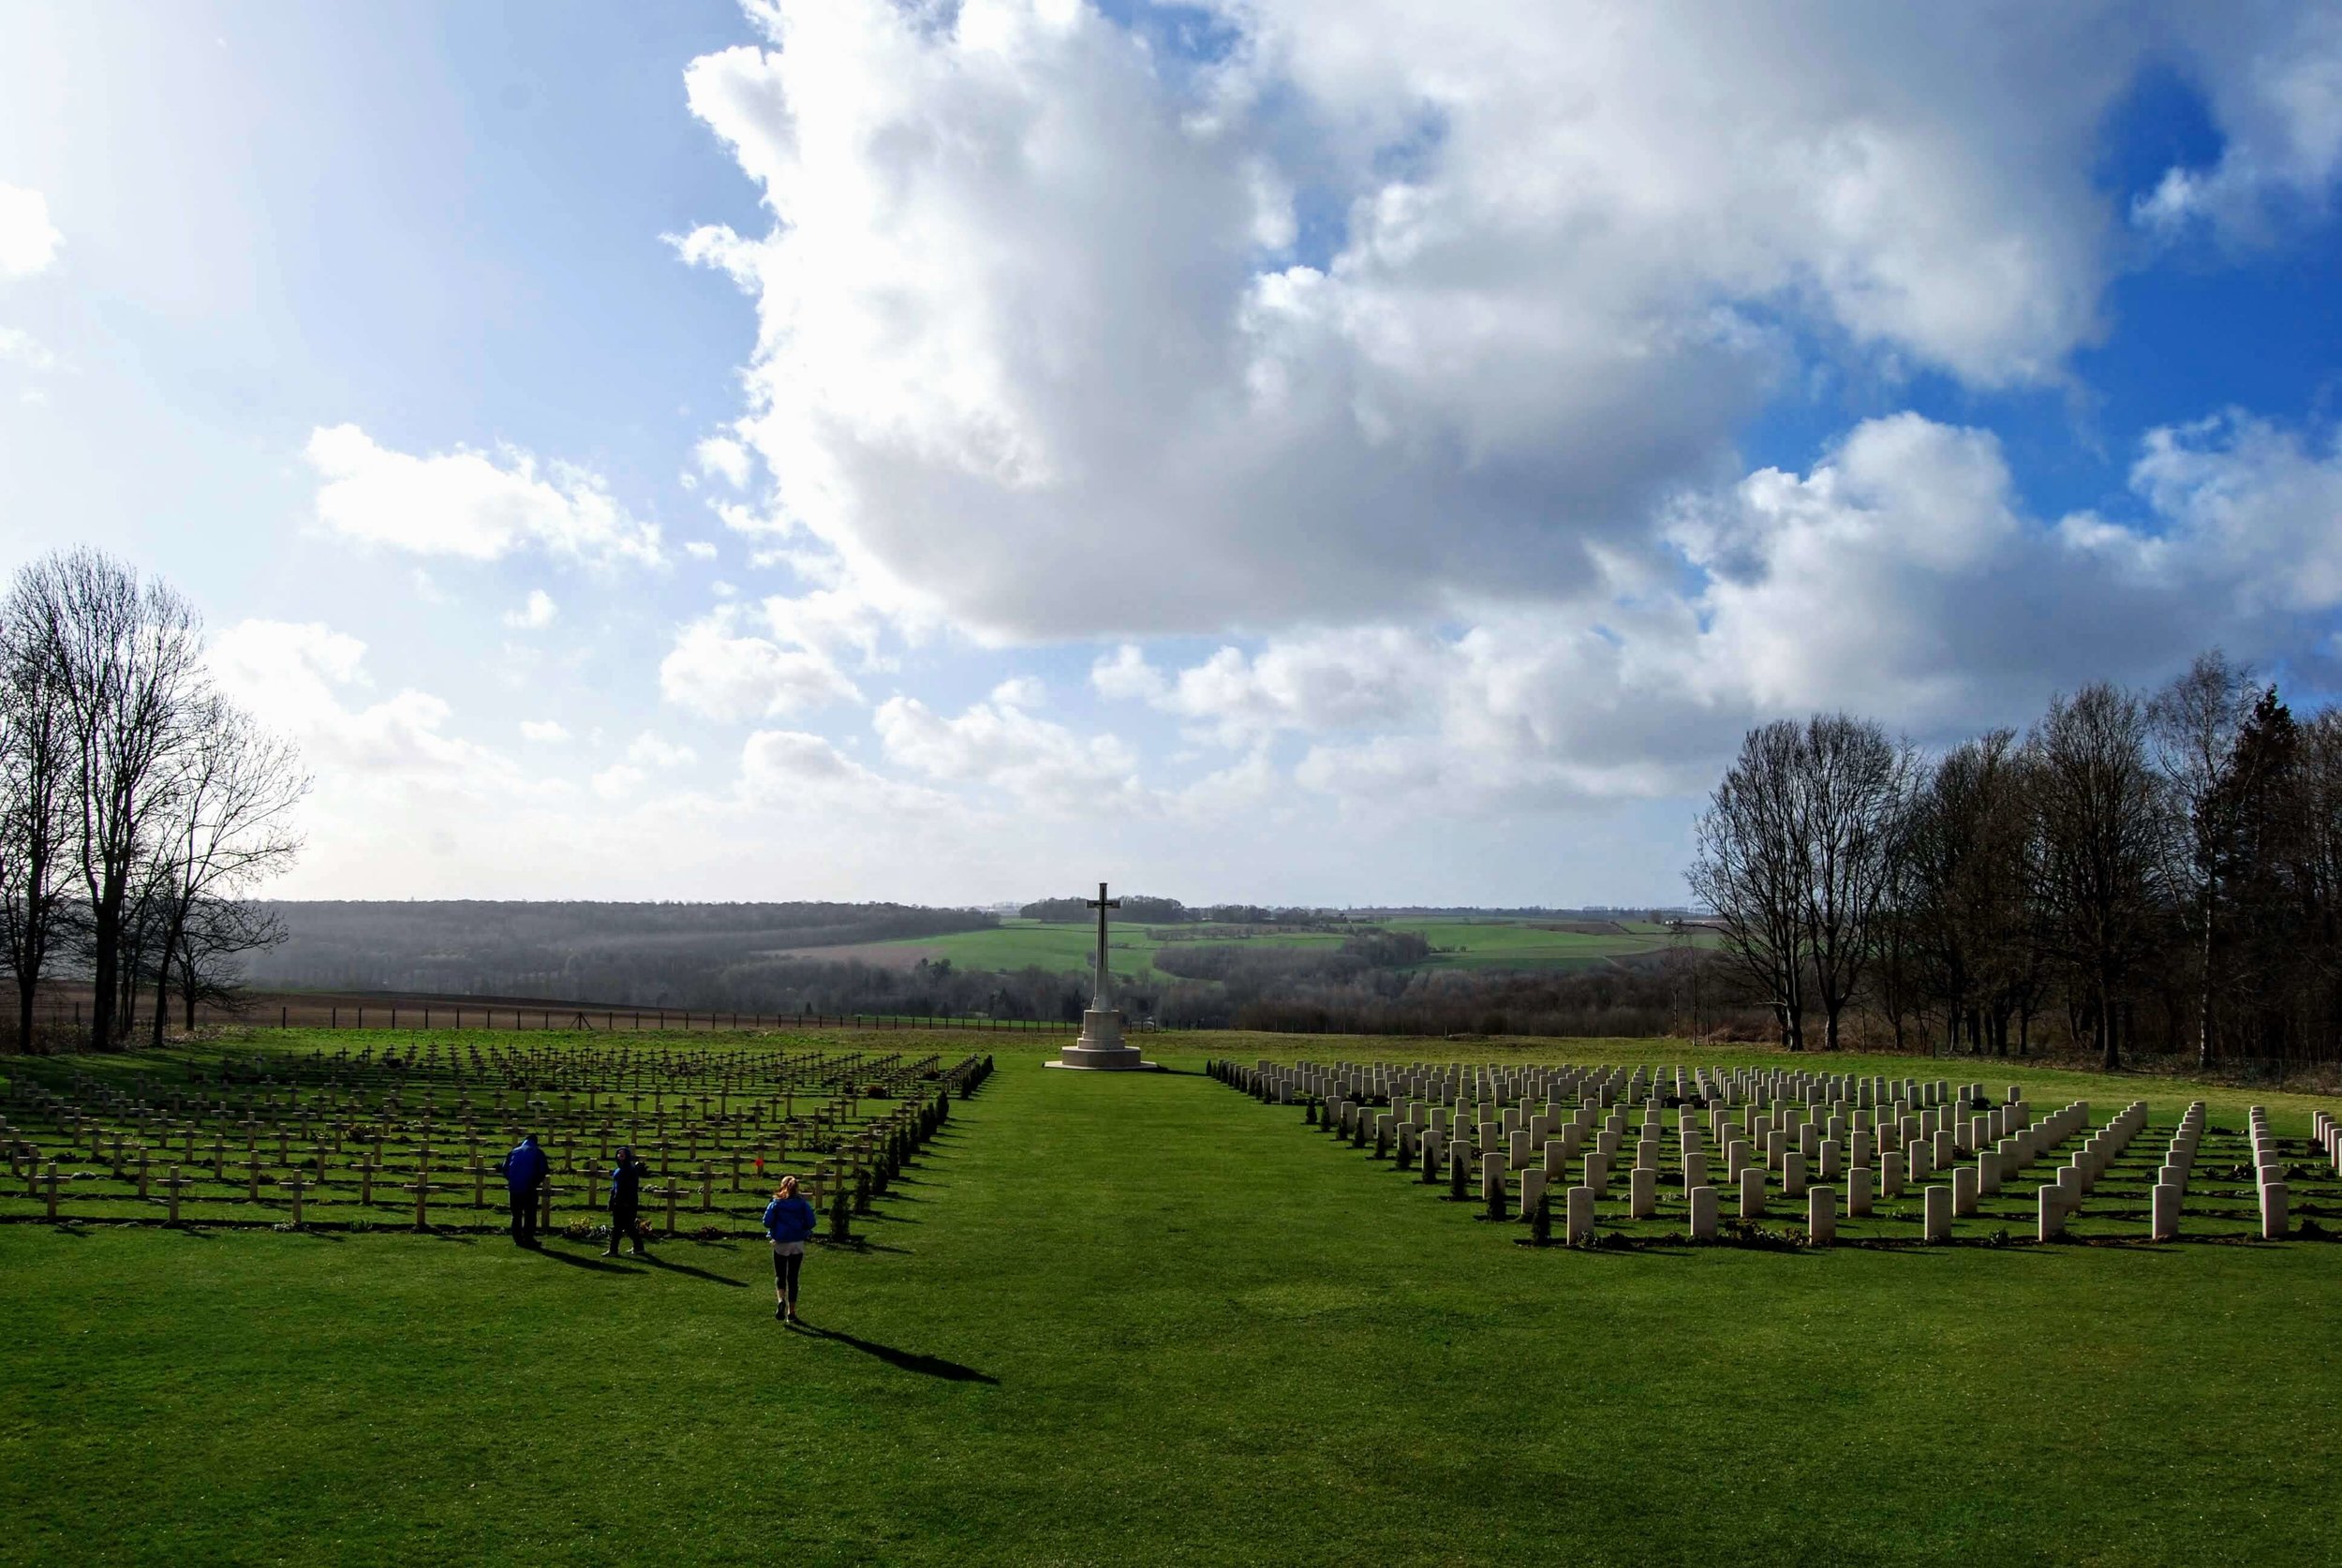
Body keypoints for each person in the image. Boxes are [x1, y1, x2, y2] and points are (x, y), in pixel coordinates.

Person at [761, 1176, 817, 1323]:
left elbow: (766, 1222)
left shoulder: (776, 1203)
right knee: (793, 1277)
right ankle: (791, 1312)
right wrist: (801, 1228)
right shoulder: (802, 1204)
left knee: (780, 1274)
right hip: (797, 1242)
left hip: (781, 1242)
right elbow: (811, 1222)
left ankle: (781, 1300)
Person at [502, 1133, 549, 1248]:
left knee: (516, 1215)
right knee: (530, 1214)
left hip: (514, 1188)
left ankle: (518, 1240)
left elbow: (504, 1168)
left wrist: (512, 1179)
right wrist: (535, 1183)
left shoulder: (513, 1151)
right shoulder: (537, 1152)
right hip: (529, 1188)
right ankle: (529, 1239)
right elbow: (543, 1170)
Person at [605, 1146, 650, 1258]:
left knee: (624, 1227)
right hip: (617, 1202)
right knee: (623, 1227)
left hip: (627, 1203)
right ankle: (637, 1247)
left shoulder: (631, 1171)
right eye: (618, 1153)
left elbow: (631, 1188)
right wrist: (611, 1201)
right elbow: (614, 1187)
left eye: (622, 1154)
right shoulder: (617, 1171)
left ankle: (614, 1250)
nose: (620, 1155)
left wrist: (627, 1201)